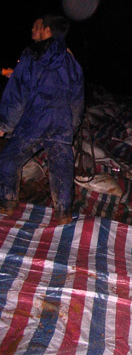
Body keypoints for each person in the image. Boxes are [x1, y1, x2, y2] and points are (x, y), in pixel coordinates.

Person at [0, 14, 85, 223]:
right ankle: (63, 213)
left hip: (34, 121)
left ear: (47, 30)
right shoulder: (70, 59)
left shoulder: (31, 55)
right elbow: (77, 96)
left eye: (36, 27)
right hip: (61, 123)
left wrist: (5, 124)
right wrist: (73, 125)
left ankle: (7, 203)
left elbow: (18, 92)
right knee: (62, 168)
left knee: (8, 160)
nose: (33, 30)